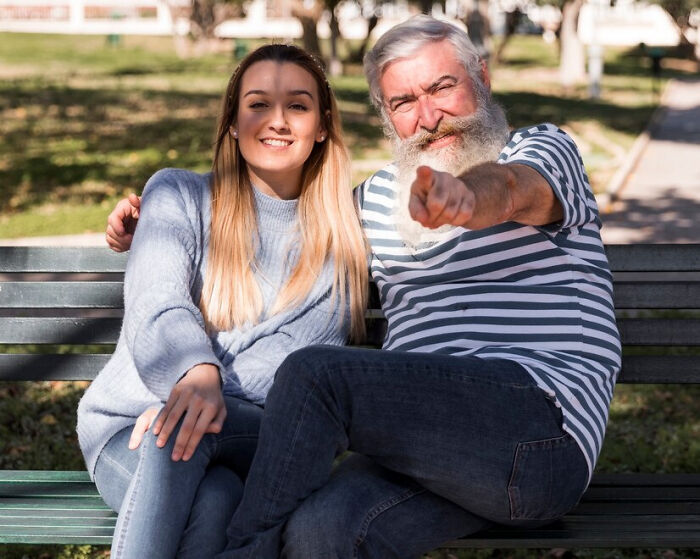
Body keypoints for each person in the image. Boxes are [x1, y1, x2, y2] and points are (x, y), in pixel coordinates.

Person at [108, 16, 621, 559]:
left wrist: (466, 195)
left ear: (483, 78)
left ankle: (244, 552)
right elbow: (271, 233)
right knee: (318, 532)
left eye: (443, 87)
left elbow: (515, 189)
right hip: (426, 451)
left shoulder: (540, 150)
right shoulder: (370, 204)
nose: (429, 117)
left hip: (536, 432)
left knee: (316, 374)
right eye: (404, 102)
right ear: (386, 116)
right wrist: (151, 225)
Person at [78, 43, 368, 559]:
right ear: (233, 122)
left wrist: (199, 391)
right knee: (214, 500)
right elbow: (156, 302)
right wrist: (193, 373)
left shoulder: (337, 241)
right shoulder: (176, 196)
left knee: (184, 428)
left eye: (297, 106)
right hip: (128, 429)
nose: (277, 120)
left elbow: (291, 364)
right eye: (258, 104)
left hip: (251, 431)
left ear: (322, 125)